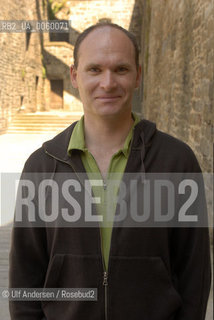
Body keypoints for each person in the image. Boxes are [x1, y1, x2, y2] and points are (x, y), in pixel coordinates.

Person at [9, 22, 211, 320]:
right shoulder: (41, 166)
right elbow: (25, 278)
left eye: (120, 69)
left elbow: (195, 276)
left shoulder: (177, 162)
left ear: (138, 76)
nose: (107, 83)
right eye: (94, 70)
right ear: (75, 76)